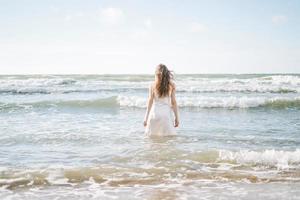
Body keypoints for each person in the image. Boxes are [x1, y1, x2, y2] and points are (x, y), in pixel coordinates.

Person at [143, 64, 179, 136]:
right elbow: (174, 102)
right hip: (166, 115)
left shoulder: (152, 85)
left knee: (152, 138)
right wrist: (176, 118)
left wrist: (145, 118)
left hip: (154, 114)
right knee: (168, 139)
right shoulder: (171, 85)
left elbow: (150, 101)